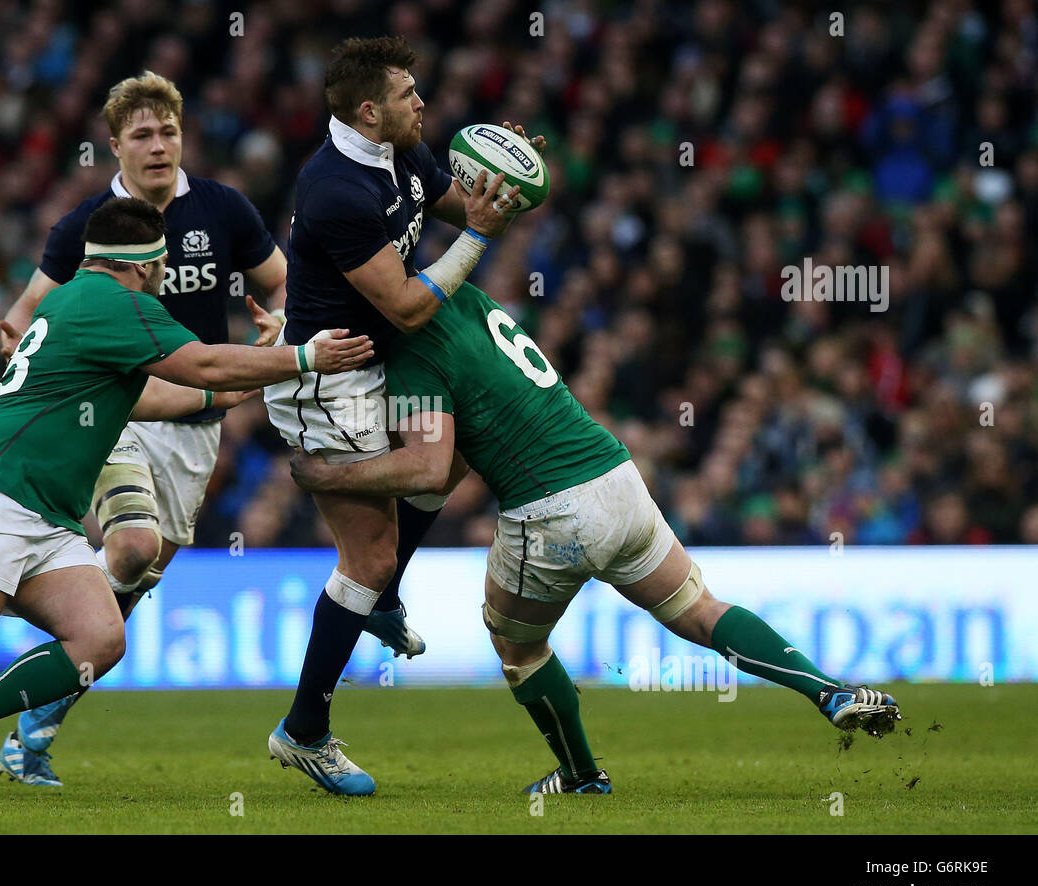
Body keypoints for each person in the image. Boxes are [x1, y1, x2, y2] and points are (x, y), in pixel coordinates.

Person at [0, 198, 374, 801]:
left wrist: (261, 369)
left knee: (99, 638)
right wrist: (301, 357)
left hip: (44, 511)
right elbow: (206, 365)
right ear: (145, 264)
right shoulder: (117, 303)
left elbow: (162, 399)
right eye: (160, 262)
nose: (163, 274)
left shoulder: (74, 303)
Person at [291, 282, 902, 795]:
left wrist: (330, 474)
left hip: (551, 509)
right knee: (699, 610)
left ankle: (582, 775)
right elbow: (457, 455)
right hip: (614, 474)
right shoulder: (467, 300)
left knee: (518, 648)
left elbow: (426, 468)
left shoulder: (410, 359)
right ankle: (829, 691)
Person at [0, 71, 405, 786]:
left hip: (200, 419)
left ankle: (39, 714)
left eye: (169, 131)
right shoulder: (88, 229)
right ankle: (29, 684)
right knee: (130, 545)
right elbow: (22, 315)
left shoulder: (222, 209)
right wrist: (36, 368)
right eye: (143, 135)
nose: (158, 146)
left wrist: (281, 318)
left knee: (145, 567)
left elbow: (282, 278)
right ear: (114, 145)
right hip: (117, 413)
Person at [261, 36, 526, 795]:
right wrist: (480, 236)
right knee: (367, 556)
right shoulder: (335, 190)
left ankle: (380, 596)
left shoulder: (401, 150)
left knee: (458, 451)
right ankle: (304, 728)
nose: (424, 104)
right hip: (330, 373)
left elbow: (455, 200)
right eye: (410, 94)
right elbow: (409, 304)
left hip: (381, 359)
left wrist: (505, 178)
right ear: (370, 110)